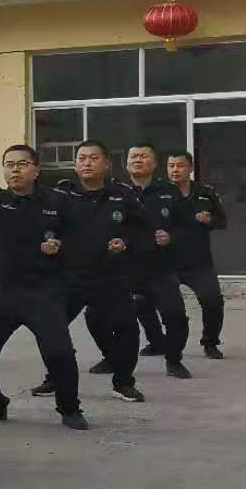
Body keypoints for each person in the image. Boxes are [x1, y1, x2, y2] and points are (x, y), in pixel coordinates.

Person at [0, 145, 88, 430]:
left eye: (22, 164)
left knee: (59, 354)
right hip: (3, 291)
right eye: (9, 165)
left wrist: (60, 245)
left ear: (36, 169)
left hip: (44, 291)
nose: (15, 170)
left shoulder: (58, 201)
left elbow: (79, 238)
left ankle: (69, 408)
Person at [31, 140, 148, 403]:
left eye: (93, 158)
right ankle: (55, 377)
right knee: (50, 327)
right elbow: (47, 225)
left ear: (107, 164)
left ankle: (123, 382)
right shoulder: (61, 194)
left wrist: (125, 242)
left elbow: (141, 230)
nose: (87, 163)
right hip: (67, 276)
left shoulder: (122, 194)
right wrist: (49, 239)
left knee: (127, 329)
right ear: (75, 165)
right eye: (82, 158)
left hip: (110, 275)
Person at [124, 143, 193, 381]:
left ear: (154, 164)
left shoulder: (169, 191)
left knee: (176, 317)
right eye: (134, 156)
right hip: (124, 269)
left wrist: (171, 236)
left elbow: (187, 226)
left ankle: (174, 360)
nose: (138, 160)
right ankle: (111, 358)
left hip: (161, 269)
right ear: (126, 163)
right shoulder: (116, 191)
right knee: (100, 316)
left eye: (144, 156)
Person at [167, 149, 227, 359]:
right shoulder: (159, 193)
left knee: (212, 301)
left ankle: (210, 343)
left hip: (199, 262)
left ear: (190, 168)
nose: (175, 170)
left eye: (180, 165)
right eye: (171, 166)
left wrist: (209, 220)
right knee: (144, 301)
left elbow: (222, 221)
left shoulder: (205, 193)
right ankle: (157, 341)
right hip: (166, 262)